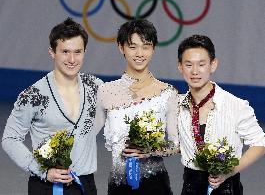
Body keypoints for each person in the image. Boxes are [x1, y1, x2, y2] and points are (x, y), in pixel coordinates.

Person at [2, 17, 103, 195]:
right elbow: (10, 139)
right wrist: (42, 170)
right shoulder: (33, 95)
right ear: (52, 52)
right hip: (46, 186)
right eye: (65, 52)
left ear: (85, 51)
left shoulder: (96, 86)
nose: (72, 59)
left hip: (85, 185)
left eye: (78, 52)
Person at [95, 19, 180, 195]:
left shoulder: (168, 93)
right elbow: (86, 135)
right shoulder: (106, 92)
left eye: (146, 46)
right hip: (119, 184)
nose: (140, 53)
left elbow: (175, 144)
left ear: (153, 49)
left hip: (156, 184)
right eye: (133, 47)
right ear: (121, 48)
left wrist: (150, 150)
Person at [176, 34, 265, 195]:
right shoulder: (175, 105)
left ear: (213, 65)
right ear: (180, 67)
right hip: (190, 185)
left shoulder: (236, 105)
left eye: (201, 64)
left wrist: (231, 170)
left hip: (226, 187)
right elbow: (177, 145)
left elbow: (260, 142)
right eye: (188, 64)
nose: (195, 71)